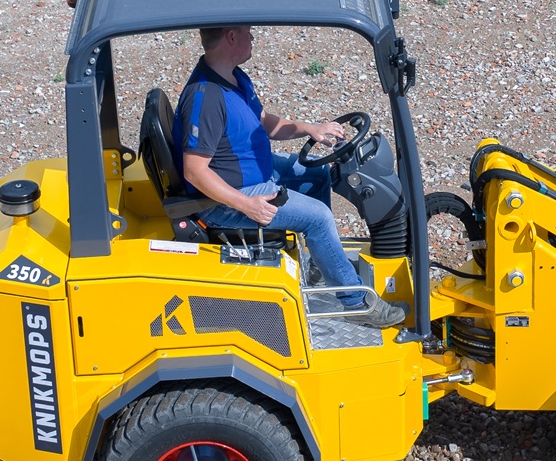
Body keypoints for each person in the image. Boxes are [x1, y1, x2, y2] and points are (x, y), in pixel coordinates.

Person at [173, 26, 406, 328]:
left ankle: (319, 265)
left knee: (317, 173)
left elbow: (264, 123)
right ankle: (357, 303)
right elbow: (195, 170)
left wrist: (310, 127)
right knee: (318, 217)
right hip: (226, 199)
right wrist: (246, 204)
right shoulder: (205, 97)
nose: (253, 37)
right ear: (231, 37)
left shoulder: (233, 77)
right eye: (247, 32)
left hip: (256, 170)